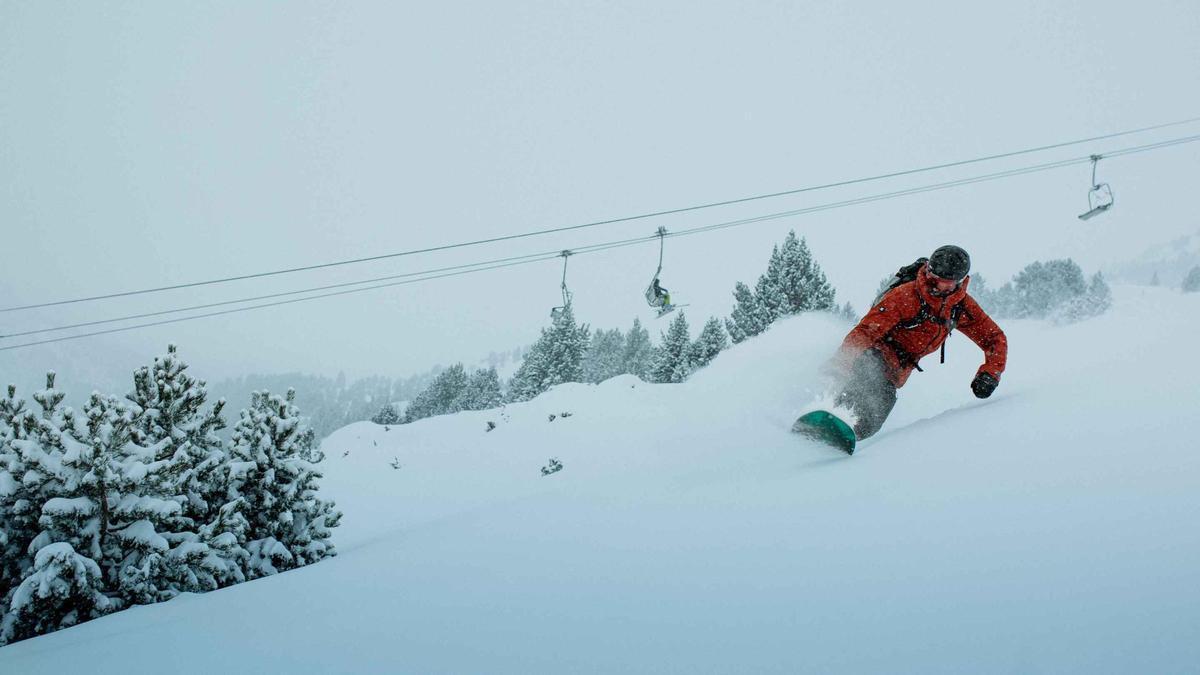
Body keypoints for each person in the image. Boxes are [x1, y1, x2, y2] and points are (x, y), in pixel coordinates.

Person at [826, 245, 1007, 440]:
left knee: (876, 413)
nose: (941, 286)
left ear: (960, 281)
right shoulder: (905, 296)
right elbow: (866, 331)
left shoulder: (960, 307)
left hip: (898, 370)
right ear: (929, 271)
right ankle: (828, 418)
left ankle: (843, 442)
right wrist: (840, 364)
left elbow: (994, 338)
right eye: (937, 279)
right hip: (874, 352)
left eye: (948, 282)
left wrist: (990, 373)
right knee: (870, 382)